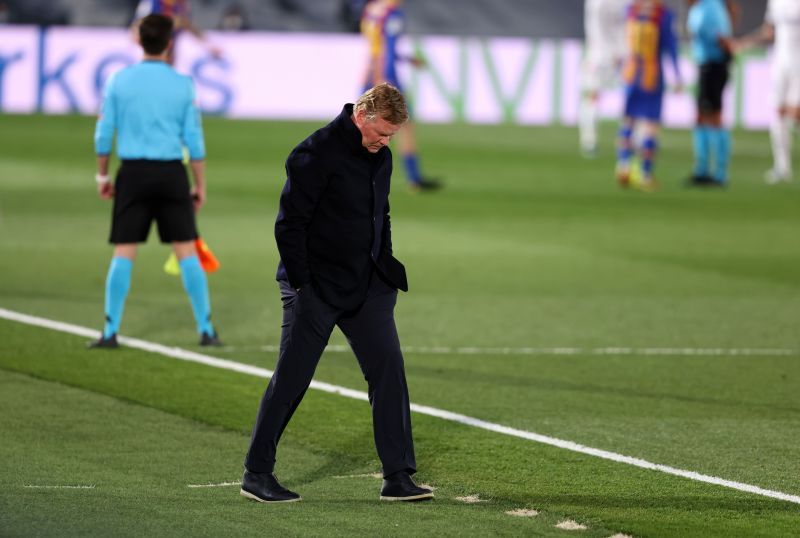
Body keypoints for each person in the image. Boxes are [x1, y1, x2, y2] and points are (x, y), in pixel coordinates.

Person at [241, 83, 432, 504]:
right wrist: (303, 285)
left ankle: (397, 475)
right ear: (362, 114)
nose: (385, 142)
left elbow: (380, 213)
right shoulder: (314, 153)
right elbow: (288, 226)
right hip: (315, 287)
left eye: (392, 136)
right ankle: (257, 473)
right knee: (293, 377)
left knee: (389, 370)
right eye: (381, 132)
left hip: (368, 285)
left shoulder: (380, 156)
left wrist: (385, 266)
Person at [89, 14, 221, 349]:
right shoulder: (183, 84)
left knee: (124, 251)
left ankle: (109, 330)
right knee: (187, 251)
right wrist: (200, 184)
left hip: (132, 172)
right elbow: (195, 140)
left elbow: (104, 133)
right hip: (170, 173)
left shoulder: (119, 80)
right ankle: (206, 328)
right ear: (170, 44)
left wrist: (103, 174)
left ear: (138, 40)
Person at [361, 0, 441, 192]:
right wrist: (385, 79)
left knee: (363, 128)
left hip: (369, 73)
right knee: (403, 125)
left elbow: (377, 47)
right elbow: (387, 49)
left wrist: (406, 59)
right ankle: (413, 178)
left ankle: (347, 176)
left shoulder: (370, 10)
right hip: (385, 76)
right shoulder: (393, 15)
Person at [615, 0, 683, 192]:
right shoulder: (663, 14)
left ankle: (624, 164)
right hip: (652, 76)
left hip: (630, 73)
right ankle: (644, 173)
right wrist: (677, 75)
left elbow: (622, 40)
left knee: (628, 121)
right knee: (650, 126)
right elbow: (671, 46)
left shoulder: (631, 10)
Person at [737, 0, 799, 184]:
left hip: (799, 64)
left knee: (794, 114)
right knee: (777, 114)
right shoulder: (775, 2)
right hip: (780, 62)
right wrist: (745, 43)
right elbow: (769, 31)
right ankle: (782, 167)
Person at [686, 0, 734, 187]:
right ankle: (703, 169)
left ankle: (719, 173)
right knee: (701, 116)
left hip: (713, 66)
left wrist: (726, 51)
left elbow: (721, 37)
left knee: (713, 117)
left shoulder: (709, 8)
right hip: (708, 65)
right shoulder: (706, 7)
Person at [579, 0, 629, 158]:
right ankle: (630, 138)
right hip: (619, 54)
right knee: (629, 97)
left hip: (598, 54)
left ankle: (589, 140)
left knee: (592, 97)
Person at [131, 0, 222, 65]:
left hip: (169, 54)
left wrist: (208, 45)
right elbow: (137, 25)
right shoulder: (152, 2)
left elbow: (188, 25)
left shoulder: (181, 4)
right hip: (152, 54)